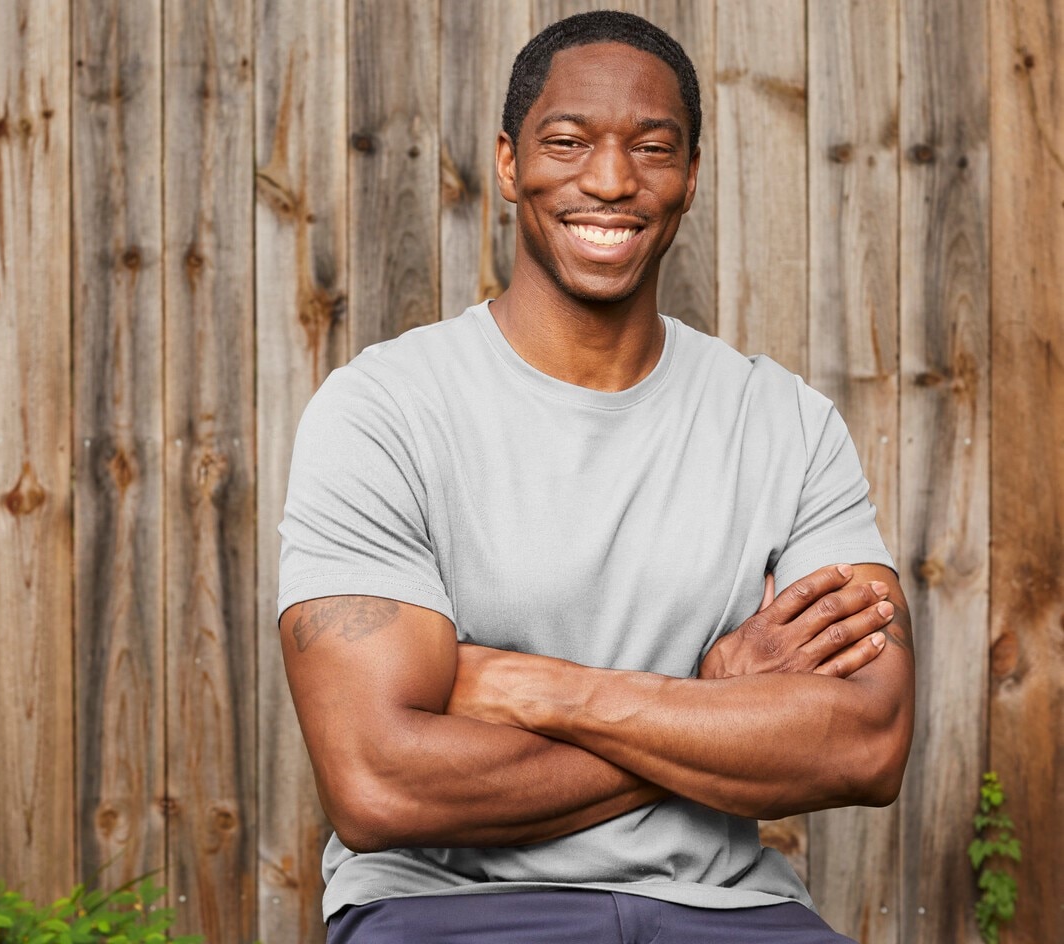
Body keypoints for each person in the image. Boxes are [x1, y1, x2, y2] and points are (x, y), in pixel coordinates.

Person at [275, 10, 914, 944]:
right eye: (568, 141)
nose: (611, 181)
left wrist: (543, 691)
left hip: (730, 911)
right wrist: (712, 704)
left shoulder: (787, 425)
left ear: (690, 177)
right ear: (508, 163)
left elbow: (867, 743)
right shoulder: (384, 411)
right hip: (449, 912)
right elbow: (378, 783)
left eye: (652, 149)